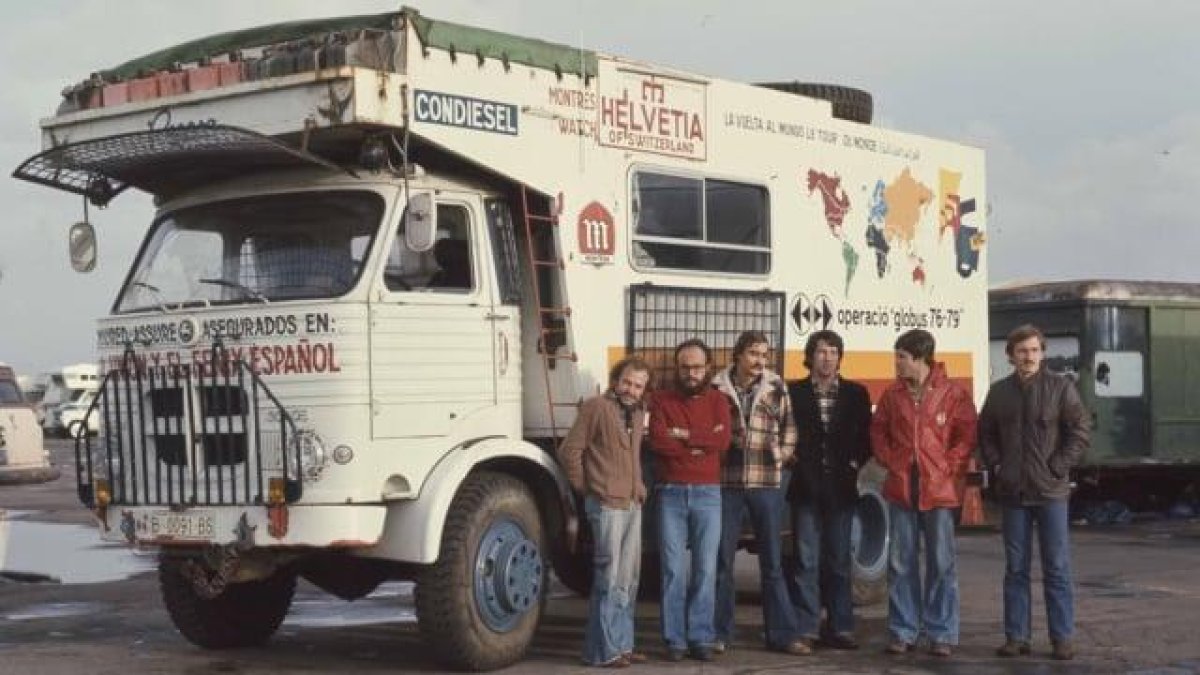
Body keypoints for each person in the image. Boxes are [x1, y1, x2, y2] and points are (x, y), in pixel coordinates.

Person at [979, 324, 1089, 661]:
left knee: (1056, 567)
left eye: (1034, 350)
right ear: (1010, 355)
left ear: (1042, 352)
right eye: (1022, 351)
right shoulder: (998, 393)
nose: (1028, 356)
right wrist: (998, 466)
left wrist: (1058, 466)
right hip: (1014, 493)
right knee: (1016, 568)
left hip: (1051, 492)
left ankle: (1062, 638)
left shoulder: (1061, 387)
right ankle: (1017, 637)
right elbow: (985, 435)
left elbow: (1080, 432)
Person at [871, 329, 977, 657]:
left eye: (901, 357)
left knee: (941, 563)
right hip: (902, 488)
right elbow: (878, 432)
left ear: (920, 358)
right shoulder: (892, 396)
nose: (897, 364)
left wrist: (947, 465)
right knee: (901, 562)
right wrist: (891, 461)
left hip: (939, 490)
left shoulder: (953, 394)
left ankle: (942, 632)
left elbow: (967, 433)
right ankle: (903, 630)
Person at [711, 331, 806, 655]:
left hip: (766, 484)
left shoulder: (777, 386)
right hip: (727, 484)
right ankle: (719, 634)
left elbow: (790, 428)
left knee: (772, 562)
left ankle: (781, 635)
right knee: (722, 562)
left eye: (764, 355)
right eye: (753, 354)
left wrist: (778, 457)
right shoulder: (716, 388)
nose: (759, 361)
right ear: (737, 354)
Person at [558, 357, 653, 668]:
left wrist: (638, 483)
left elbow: (634, 454)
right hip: (606, 504)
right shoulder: (596, 407)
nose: (631, 389)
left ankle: (623, 645)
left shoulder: (638, 412)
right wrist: (589, 489)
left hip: (630, 503)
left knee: (629, 578)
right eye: (627, 382)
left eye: (638, 385)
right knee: (608, 577)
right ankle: (601, 651)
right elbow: (570, 451)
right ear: (616, 380)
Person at [786, 330, 872, 650]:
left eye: (834, 351)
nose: (827, 357)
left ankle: (841, 626)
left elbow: (867, 436)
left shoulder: (855, 393)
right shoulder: (793, 392)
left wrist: (853, 466)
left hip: (841, 488)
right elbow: (783, 429)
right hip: (805, 486)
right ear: (811, 356)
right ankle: (807, 627)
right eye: (821, 351)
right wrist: (792, 459)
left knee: (838, 560)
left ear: (840, 357)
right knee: (806, 560)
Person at [648, 339, 731, 662]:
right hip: (670, 493)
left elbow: (721, 441)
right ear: (677, 368)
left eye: (697, 367)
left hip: (709, 494)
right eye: (685, 367)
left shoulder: (719, 401)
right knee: (672, 570)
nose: (691, 373)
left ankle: (700, 637)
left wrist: (683, 434)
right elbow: (658, 441)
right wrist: (698, 442)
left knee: (706, 570)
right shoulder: (661, 400)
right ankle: (675, 640)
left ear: (708, 368)